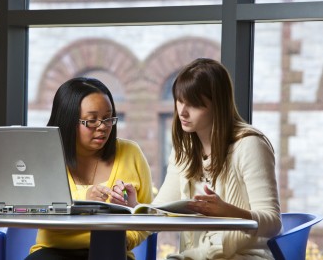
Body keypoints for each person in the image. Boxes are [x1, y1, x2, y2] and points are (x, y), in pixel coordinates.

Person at [113, 58, 282, 259]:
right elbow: (161, 212)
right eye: (179, 100)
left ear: (217, 106)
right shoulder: (184, 149)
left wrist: (227, 211)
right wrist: (136, 207)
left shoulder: (250, 145)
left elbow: (273, 223)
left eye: (193, 104)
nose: (182, 111)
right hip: (194, 256)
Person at [25, 77, 153, 260]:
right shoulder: (46, 156)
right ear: (68, 120)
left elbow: (147, 216)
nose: (102, 127)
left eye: (108, 118)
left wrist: (127, 235)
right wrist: (84, 201)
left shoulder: (131, 153)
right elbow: (35, 208)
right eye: (91, 120)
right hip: (52, 253)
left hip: (111, 252)